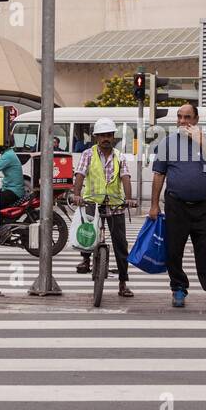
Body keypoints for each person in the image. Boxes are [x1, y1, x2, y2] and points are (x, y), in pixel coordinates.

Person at [148, 102, 206, 309]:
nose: (183, 121)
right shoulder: (167, 143)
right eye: (180, 117)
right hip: (176, 204)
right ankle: (178, 288)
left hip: (202, 205)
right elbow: (159, 174)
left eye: (187, 117)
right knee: (174, 249)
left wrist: (199, 140)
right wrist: (154, 205)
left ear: (196, 120)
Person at [70, 118, 135, 298]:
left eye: (109, 135)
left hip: (115, 204)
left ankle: (123, 283)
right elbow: (80, 175)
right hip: (92, 202)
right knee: (87, 232)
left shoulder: (119, 157)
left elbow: (126, 177)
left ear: (113, 137)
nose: (106, 138)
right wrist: (76, 194)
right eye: (102, 135)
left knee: (121, 245)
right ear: (96, 137)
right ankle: (85, 259)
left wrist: (129, 198)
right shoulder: (87, 154)